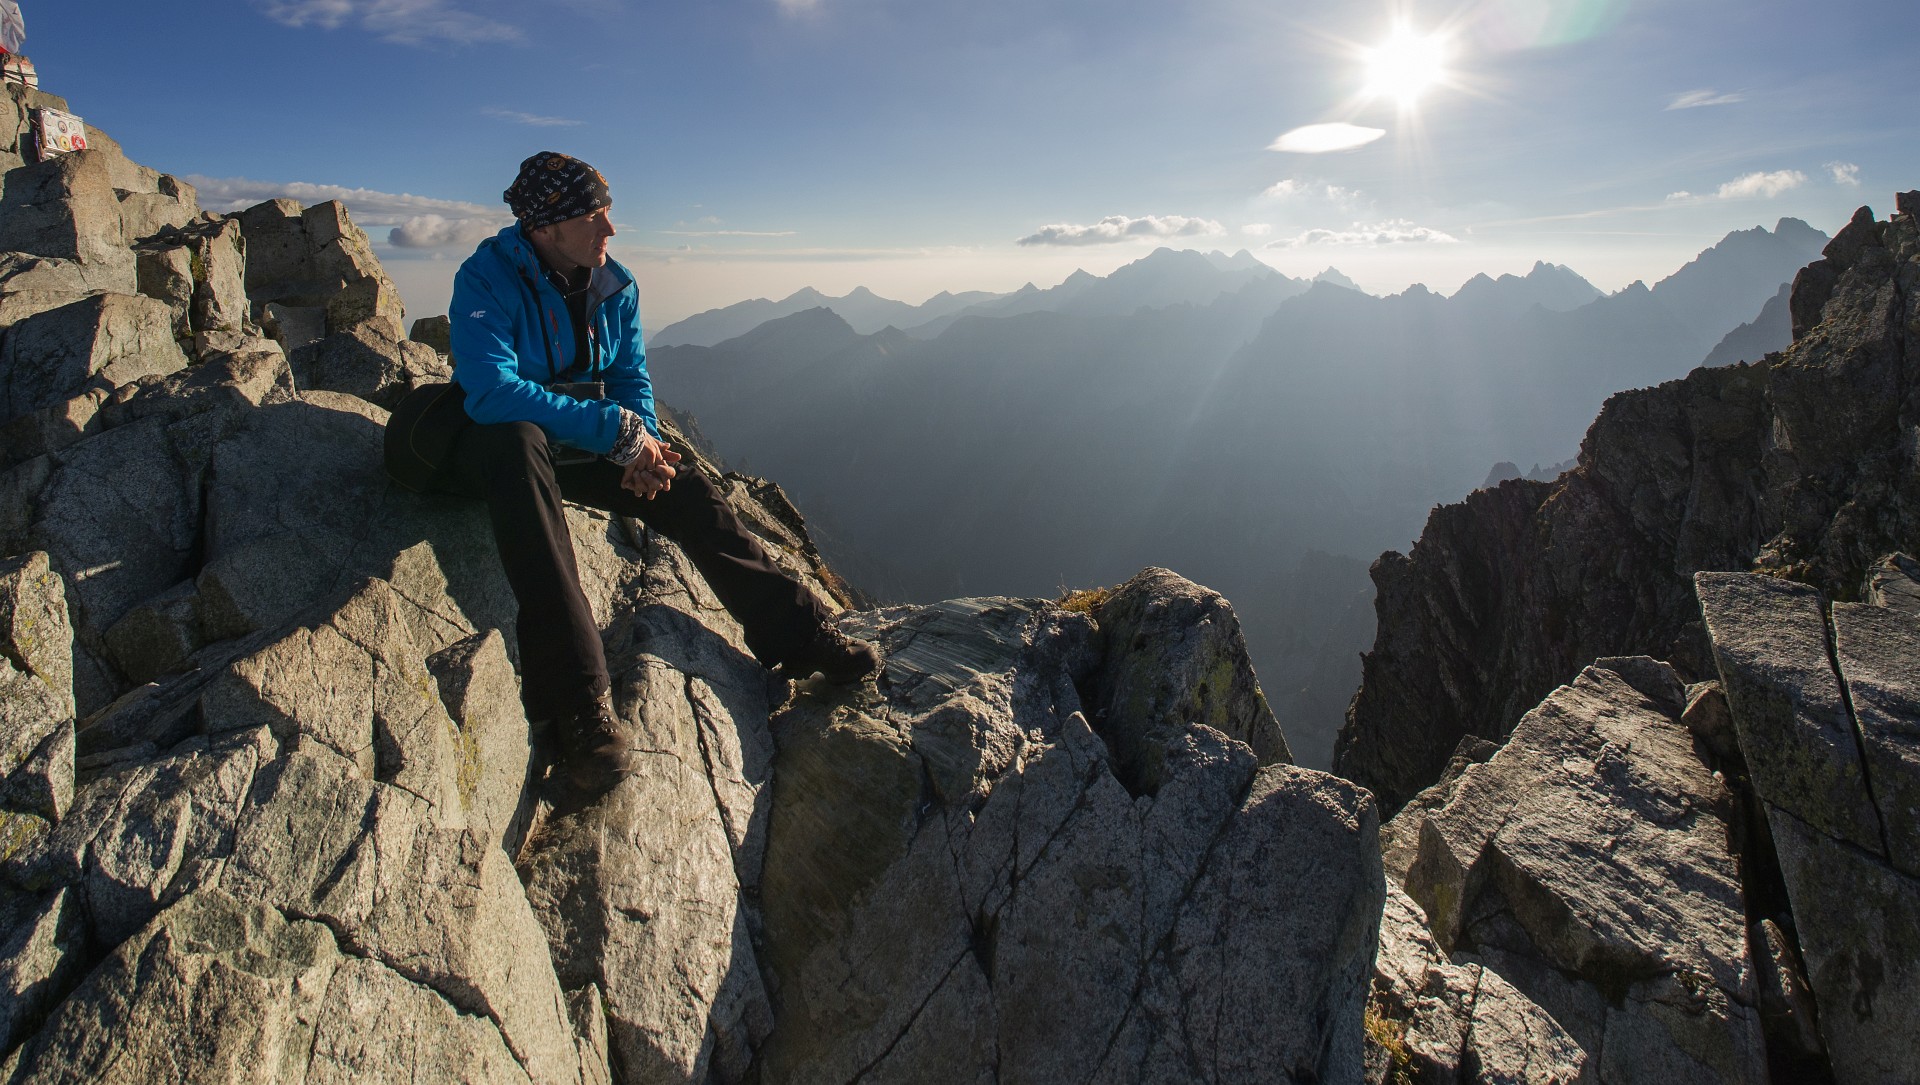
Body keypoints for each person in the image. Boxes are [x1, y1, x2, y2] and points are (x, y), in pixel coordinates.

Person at [438, 151, 878, 799]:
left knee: (685, 484)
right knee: (516, 442)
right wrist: (609, 432)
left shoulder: (613, 285)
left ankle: (799, 632)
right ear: (548, 226)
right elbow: (489, 392)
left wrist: (641, 442)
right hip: (495, 448)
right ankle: (579, 706)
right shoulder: (486, 278)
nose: (609, 229)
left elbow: (628, 378)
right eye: (593, 215)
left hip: (574, 439)